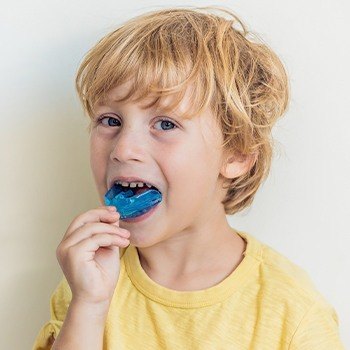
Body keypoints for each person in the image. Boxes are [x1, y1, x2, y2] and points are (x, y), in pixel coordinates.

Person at [33, 6, 345, 350]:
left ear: (237, 154)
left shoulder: (293, 313)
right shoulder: (90, 280)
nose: (123, 149)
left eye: (165, 124)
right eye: (110, 120)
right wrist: (89, 305)